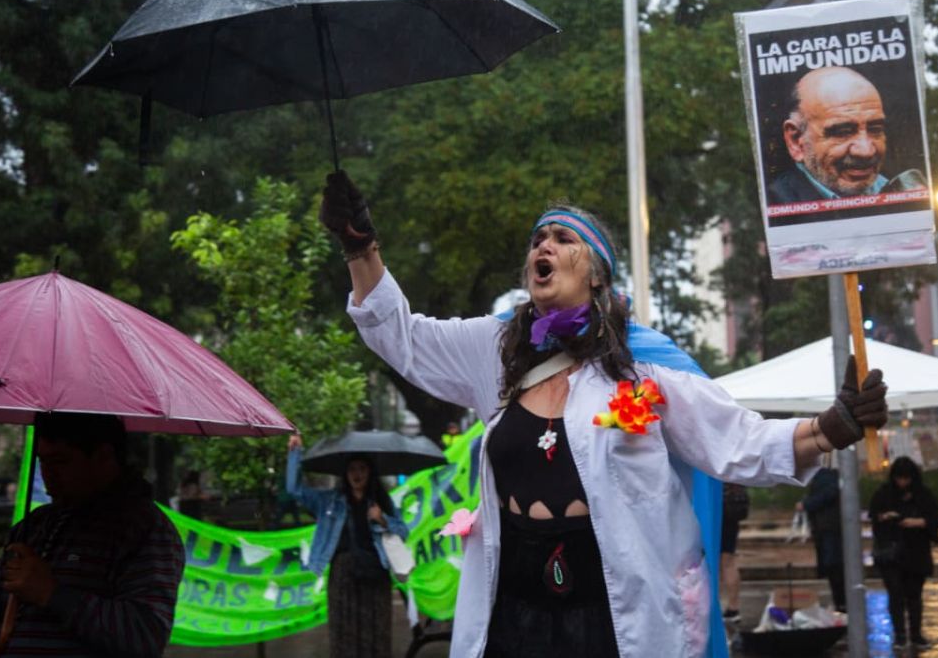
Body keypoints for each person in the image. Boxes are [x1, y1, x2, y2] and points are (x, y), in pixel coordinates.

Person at [319, 170, 889, 658]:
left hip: (613, 611)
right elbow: (401, 338)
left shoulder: (642, 368)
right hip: (511, 605)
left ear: (595, 273)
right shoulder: (494, 349)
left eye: (562, 238)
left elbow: (737, 441)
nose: (542, 246)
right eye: (537, 239)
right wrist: (360, 249)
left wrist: (832, 427)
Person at [0, 412, 185, 658]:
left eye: (60, 461)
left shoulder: (145, 529)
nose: (48, 473)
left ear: (103, 457)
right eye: (43, 461)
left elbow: (144, 638)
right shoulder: (34, 526)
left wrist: (52, 593)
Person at [286, 434, 411, 658]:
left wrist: (382, 519)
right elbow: (295, 490)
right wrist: (295, 453)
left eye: (362, 468)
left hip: (376, 575)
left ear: (370, 472)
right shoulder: (329, 500)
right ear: (345, 473)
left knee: (376, 633)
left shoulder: (381, 501)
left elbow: (403, 532)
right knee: (345, 634)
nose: (357, 474)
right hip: (343, 576)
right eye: (352, 469)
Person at [767, 66, 890, 204]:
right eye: (843, 133)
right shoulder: (774, 205)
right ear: (796, 141)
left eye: (875, 129)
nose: (866, 151)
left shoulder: (900, 190)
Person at [868, 456, 938, 650]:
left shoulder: (923, 495)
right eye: (899, 478)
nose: (902, 483)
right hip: (891, 554)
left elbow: (934, 519)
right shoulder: (884, 494)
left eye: (906, 479)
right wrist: (887, 518)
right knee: (895, 594)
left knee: (914, 595)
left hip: (916, 552)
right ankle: (900, 634)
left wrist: (916, 522)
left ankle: (915, 634)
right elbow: (875, 517)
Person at [800, 464, 845, 612]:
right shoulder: (826, 476)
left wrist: (807, 504)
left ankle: (841, 603)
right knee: (834, 566)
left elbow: (827, 495)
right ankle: (841, 602)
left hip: (828, 527)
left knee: (834, 566)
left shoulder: (825, 477)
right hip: (827, 526)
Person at [719, 482, 750, 623]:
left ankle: (713, 606)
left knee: (710, 562)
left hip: (713, 510)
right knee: (729, 562)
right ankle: (733, 607)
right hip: (731, 513)